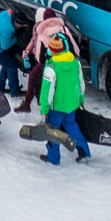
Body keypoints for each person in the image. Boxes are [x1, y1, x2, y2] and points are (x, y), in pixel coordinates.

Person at [37, 34, 90, 165]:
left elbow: (46, 92)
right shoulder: (75, 62)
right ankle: (84, 152)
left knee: (53, 132)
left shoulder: (51, 67)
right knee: (72, 127)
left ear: (51, 49)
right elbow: (81, 82)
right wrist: (81, 99)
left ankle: (53, 158)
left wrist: (44, 109)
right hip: (72, 104)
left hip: (56, 107)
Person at [0, 6, 24, 96]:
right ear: (17, 23)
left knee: (7, 63)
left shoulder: (7, 14)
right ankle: (14, 91)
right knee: (12, 65)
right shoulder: (8, 28)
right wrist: (16, 38)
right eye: (22, 25)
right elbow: (5, 46)